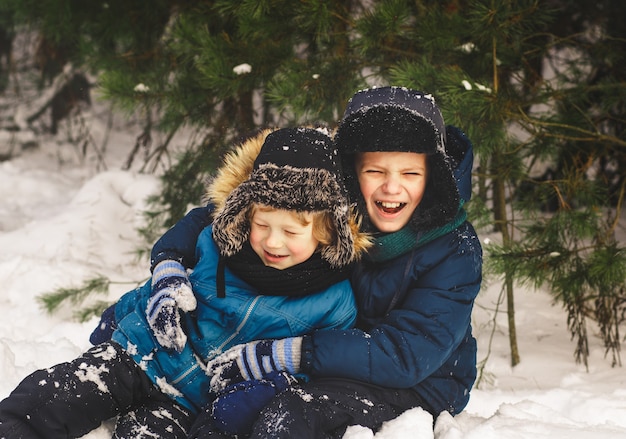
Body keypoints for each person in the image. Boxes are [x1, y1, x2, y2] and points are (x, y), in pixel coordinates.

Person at [0, 126, 370, 439]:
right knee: (65, 392)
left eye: (291, 231)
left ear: (326, 233)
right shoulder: (216, 243)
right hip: (145, 355)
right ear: (246, 214)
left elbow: (317, 365)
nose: (273, 242)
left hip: (191, 403)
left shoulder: (334, 301)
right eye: (262, 225)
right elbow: (163, 281)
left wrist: (262, 388)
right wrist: (129, 311)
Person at [190, 86, 483, 438]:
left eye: (410, 174)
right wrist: (169, 261)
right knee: (233, 407)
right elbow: (224, 213)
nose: (392, 187)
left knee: (292, 414)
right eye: (376, 171)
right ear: (352, 173)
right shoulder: (336, 209)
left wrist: (293, 353)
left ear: (433, 178)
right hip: (328, 362)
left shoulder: (455, 250)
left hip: (419, 382)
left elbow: (407, 355)